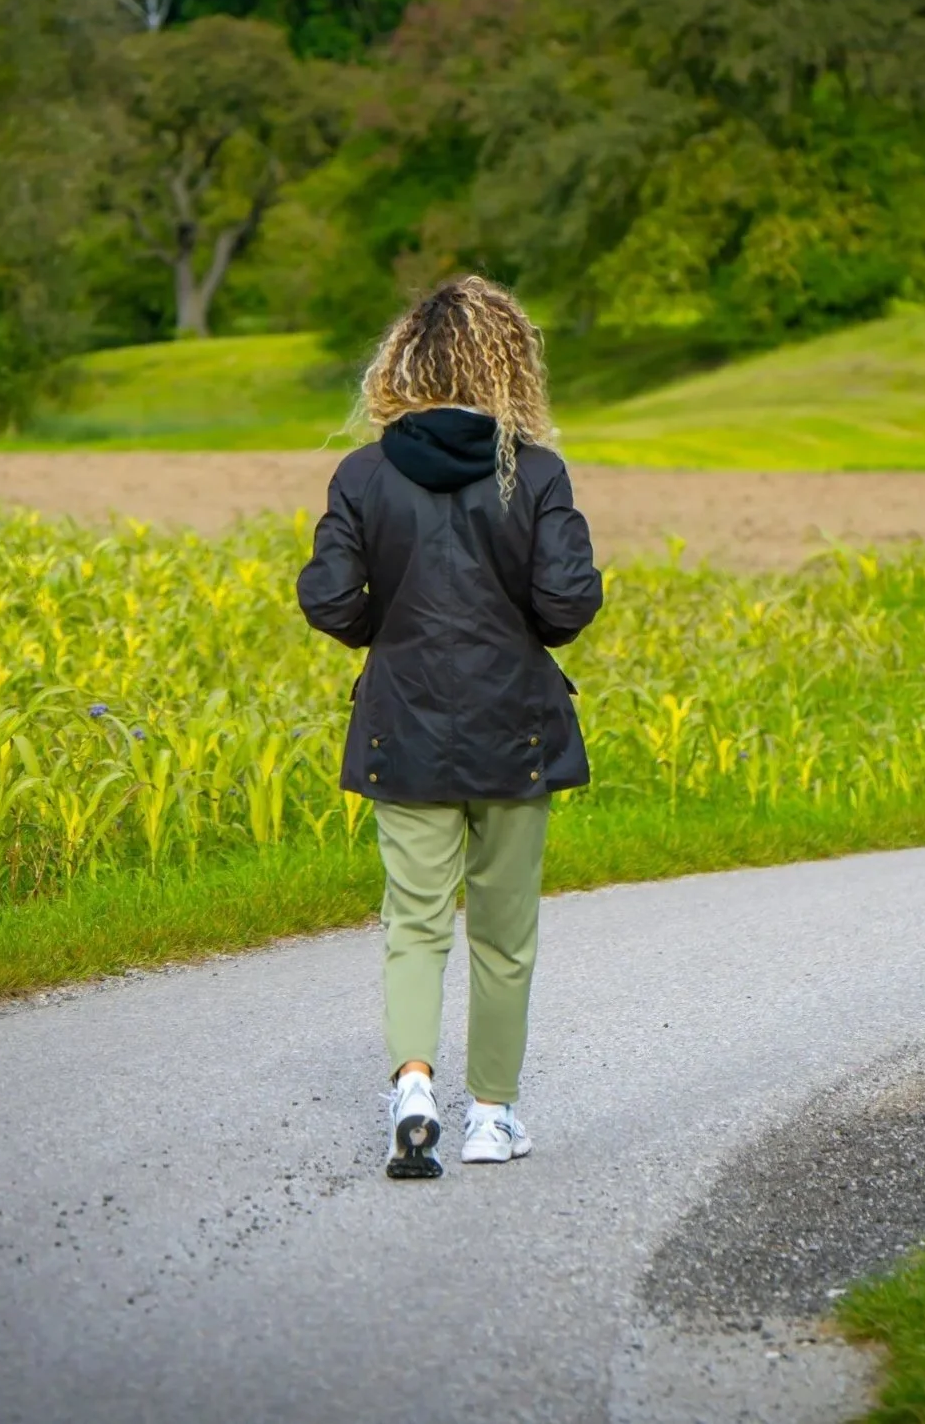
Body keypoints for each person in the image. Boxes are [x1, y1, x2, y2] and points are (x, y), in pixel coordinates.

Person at [297, 276, 603, 1180]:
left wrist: (382, 632)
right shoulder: (535, 472)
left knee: (414, 925)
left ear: (404, 360)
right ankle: (491, 1116)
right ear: (507, 361)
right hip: (516, 730)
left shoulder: (363, 474)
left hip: (405, 726)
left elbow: (325, 596)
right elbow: (565, 599)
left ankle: (415, 1087)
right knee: (503, 935)